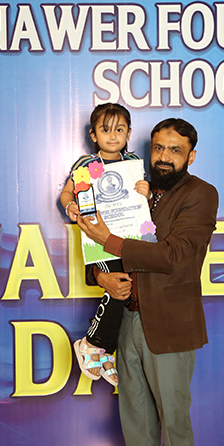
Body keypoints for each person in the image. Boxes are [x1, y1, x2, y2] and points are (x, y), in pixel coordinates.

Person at [77, 118, 218, 446]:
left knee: (173, 421)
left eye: (175, 150)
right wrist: (102, 277)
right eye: (158, 148)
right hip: (126, 319)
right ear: (149, 150)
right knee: (136, 419)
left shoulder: (201, 194)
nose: (164, 157)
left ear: (191, 156)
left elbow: (174, 256)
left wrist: (110, 240)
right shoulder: (128, 187)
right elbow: (98, 252)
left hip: (170, 325)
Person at [59, 102, 149, 386]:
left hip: (128, 237)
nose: (113, 136)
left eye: (119, 130)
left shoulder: (133, 163)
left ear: (129, 133)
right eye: (105, 129)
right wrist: (70, 206)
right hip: (97, 239)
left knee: (129, 290)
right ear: (93, 134)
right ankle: (91, 343)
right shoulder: (86, 165)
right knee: (118, 286)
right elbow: (67, 193)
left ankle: (105, 351)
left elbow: (143, 201)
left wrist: (145, 191)